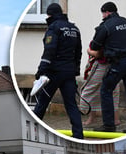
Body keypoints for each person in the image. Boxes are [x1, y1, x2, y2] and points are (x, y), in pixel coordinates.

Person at [91, 2, 126, 133]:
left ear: (106, 12)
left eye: (103, 13)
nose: (102, 16)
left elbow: (95, 46)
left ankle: (109, 125)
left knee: (106, 90)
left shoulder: (106, 26)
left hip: (119, 63)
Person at [33, 3, 83, 139]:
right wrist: (75, 70)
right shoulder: (74, 29)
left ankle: (34, 133)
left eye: (47, 15)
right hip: (69, 73)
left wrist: (41, 71)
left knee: (42, 103)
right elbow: (78, 52)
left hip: (53, 72)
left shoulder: (53, 28)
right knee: (71, 105)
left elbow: (49, 51)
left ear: (51, 14)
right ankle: (78, 135)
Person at [80, 44, 121, 127]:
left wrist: (89, 51)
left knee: (91, 91)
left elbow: (99, 54)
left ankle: (92, 117)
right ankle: (115, 119)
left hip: (102, 65)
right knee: (113, 91)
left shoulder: (104, 34)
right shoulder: (116, 36)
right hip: (115, 65)